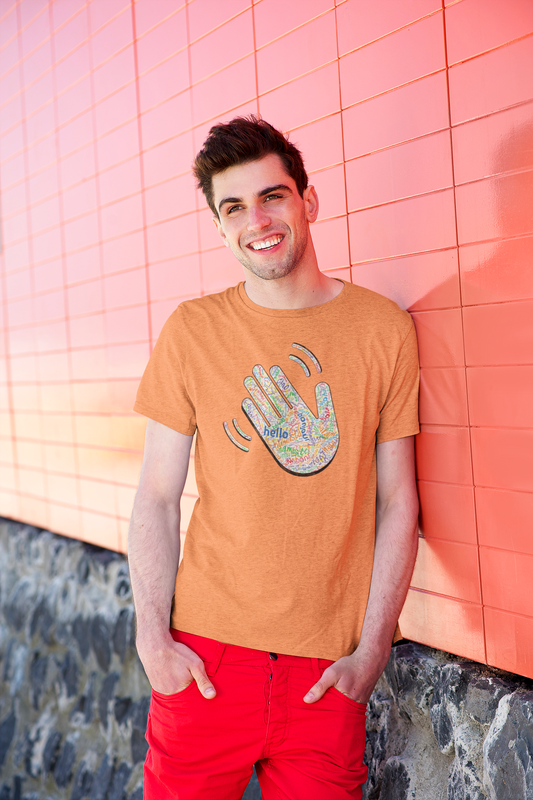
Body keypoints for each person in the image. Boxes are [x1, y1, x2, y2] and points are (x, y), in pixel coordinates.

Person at [128, 116, 420, 800]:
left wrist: (371, 651)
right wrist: (151, 638)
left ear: (307, 202)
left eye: (272, 196)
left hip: (324, 674)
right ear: (218, 224)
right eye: (232, 207)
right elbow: (157, 497)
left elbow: (398, 500)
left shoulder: (382, 330)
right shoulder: (192, 330)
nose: (255, 219)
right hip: (204, 661)